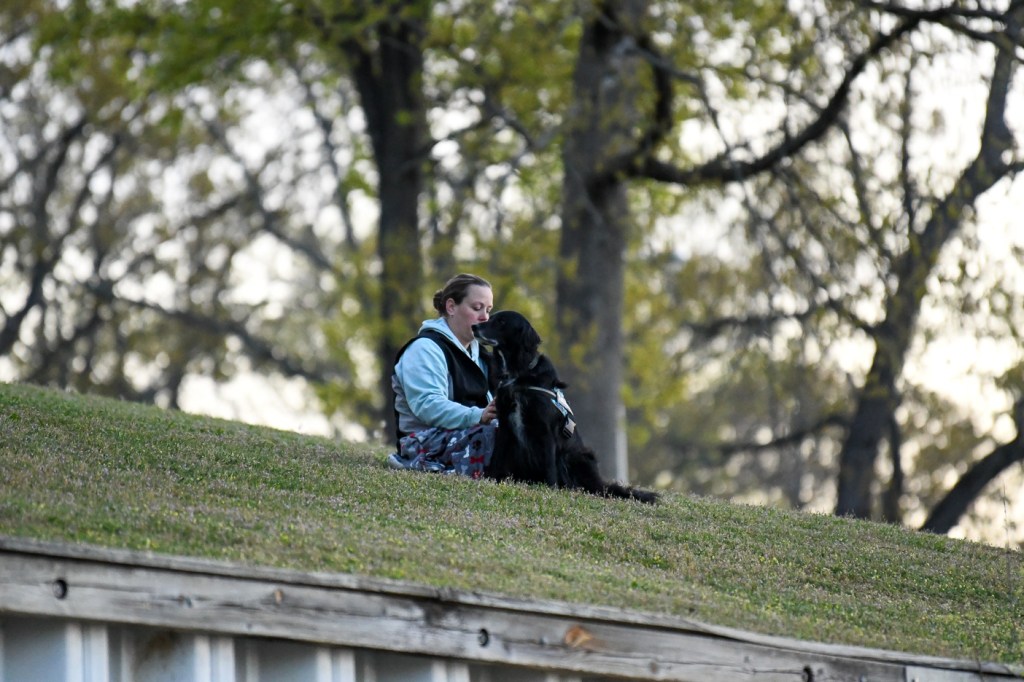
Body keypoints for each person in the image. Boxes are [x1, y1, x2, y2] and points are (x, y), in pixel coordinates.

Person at [387, 273, 499, 477]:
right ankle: (415, 462)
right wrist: (479, 415)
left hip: (474, 434)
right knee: (499, 438)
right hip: (423, 442)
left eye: (488, 310)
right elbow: (428, 405)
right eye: (477, 308)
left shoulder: (481, 355)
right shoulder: (425, 349)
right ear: (451, 307)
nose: (485, 317)